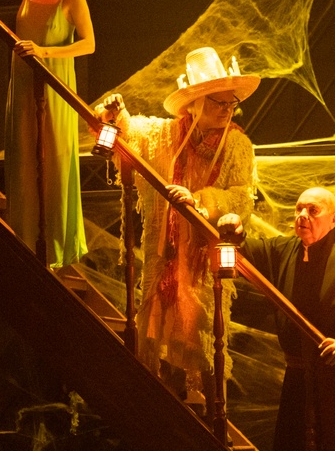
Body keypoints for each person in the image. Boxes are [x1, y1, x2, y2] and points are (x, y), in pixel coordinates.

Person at [95, 47, 259, 416]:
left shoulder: (237, 144)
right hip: (166, 251)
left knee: (202, 328)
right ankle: (163, 403)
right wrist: (115, 114)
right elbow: (133, 132)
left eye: (231, 103)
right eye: (219, 102)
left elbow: (241, 196)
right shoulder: (168, 134)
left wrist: (199, 200)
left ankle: (210, 410)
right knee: (159, 322)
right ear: (195, 103)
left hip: (202, 255)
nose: (227, 110)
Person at [216, 186, 335, 451]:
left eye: (313, 210)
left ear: (334, 219)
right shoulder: (284, 249)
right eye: (299, 209)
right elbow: (251, 250)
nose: (303, 215)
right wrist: (237, 231)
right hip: (297, 380)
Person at [0, 0, 94, 268]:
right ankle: (25, 240)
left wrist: (45, 52)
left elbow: (89, 44)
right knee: (24, 159)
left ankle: (56, 246)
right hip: (23, 83)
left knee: (53, 162)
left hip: (54, 85)